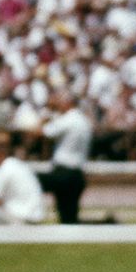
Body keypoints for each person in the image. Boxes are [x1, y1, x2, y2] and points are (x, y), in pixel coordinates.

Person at [38, 94, 93, 224]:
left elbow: (42, 132)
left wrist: (47, 111)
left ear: (68, 103)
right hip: (77, 174)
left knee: (31, 181)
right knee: (69, 219)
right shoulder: (83, 120)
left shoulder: (68, 119)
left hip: (64, 173)